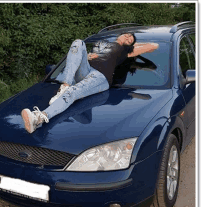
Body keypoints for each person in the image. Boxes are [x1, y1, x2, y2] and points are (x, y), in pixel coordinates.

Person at [21, 33, 159, 133]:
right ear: (120, 35)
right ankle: (65, 86)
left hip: (100, 77)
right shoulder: (102, 44)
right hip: (86, 69)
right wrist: (85, 57)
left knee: (73, 93)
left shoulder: (126, 51)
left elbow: (154, 46)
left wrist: (133, 45)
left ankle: (39, 119)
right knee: (78, 42)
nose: (128, 38)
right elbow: (79, 56)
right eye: (127, 35)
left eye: (131, 39)